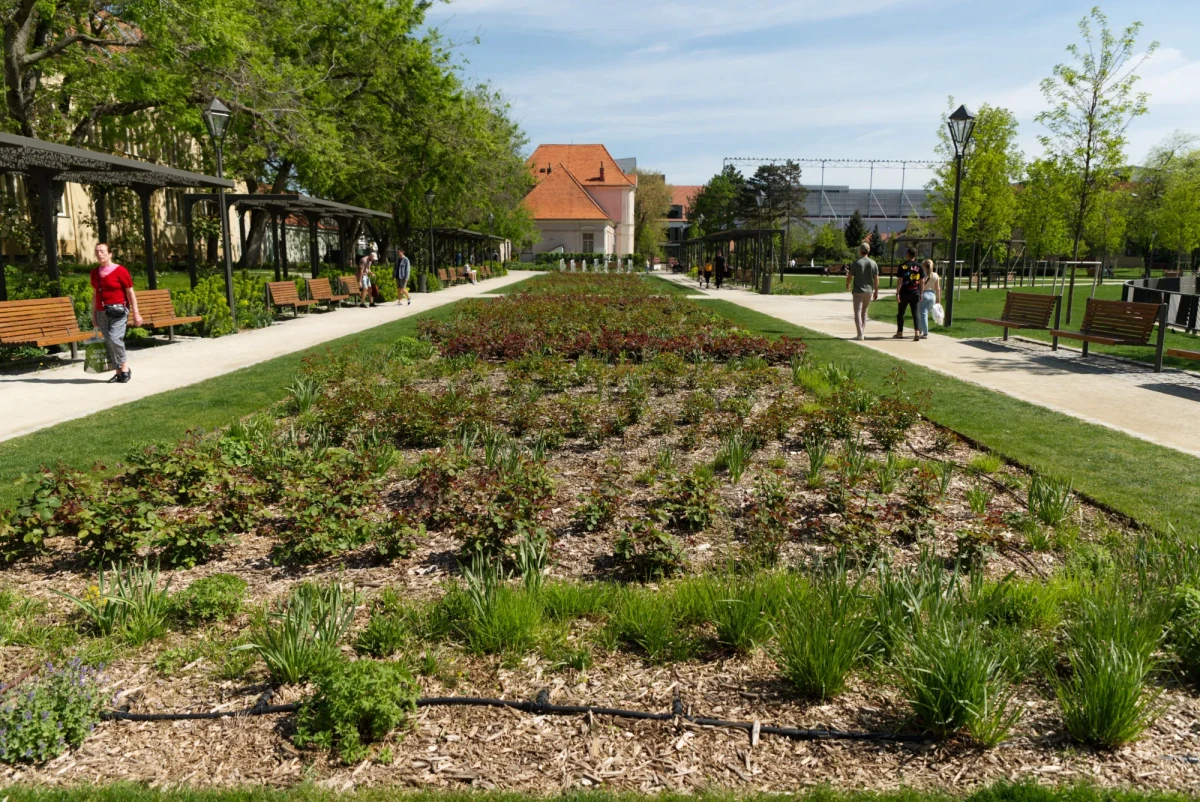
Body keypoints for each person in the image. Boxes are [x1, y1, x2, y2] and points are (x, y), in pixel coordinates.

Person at [90, 243, 143, 383]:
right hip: (102, 311)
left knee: (114, 338)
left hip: (119, 310)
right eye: (97, 252)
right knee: (109, 341)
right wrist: (93, 314)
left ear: (110, 254)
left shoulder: (121, 271)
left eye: (102, 251)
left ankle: (125, 366)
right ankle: (118, 372)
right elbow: (95, 295)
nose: (99, 254)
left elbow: (130, 292)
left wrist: (136, 313)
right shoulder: (95, 273)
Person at [847, 242, 879, 341]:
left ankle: (860, 334)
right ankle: (862, 331)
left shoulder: (856, 263)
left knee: (857, 312)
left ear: (860, 251)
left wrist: (847, 284)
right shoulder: (873, 263)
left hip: (858, 290)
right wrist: (876, 291)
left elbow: (850, 276)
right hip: (869, 291)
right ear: (868, 251)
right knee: (864, 312)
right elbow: (876, 278)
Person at [895, 247, 923, 341]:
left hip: (904, 292)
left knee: (901, 313)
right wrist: (921, 293)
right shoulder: (919, 266)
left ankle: (900, 332)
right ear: (915, 255)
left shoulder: (903, 266)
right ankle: (917, 332)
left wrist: (897, 293)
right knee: (915, 313)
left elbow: (900, 280)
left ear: (907, 254)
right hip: (915, 291)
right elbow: (922, 280)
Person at [917, 259, 941, 338]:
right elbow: (938, 289)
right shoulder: (936, 275)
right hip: (932, 296)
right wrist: (938, 300)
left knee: (923, 314)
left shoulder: (922, 275)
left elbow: (921, 286)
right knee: (923, 313)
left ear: (924, 266)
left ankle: (925, 333)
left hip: (924, 294)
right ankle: (920, 330)